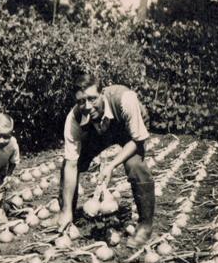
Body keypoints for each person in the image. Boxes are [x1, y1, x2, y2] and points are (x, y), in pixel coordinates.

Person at [57, 73, 155, 247]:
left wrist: (110, 166)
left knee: (135, 165)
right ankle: (67, 213)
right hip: (97, 131)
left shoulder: (125, 99)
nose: (87, 106)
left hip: (128, 133)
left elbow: (138, 140)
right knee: (70, 164)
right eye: (81, 101)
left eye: (92, 99)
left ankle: (145, 225)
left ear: (102, 93)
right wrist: (65, 211)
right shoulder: (74, 118)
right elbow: (71, 163)